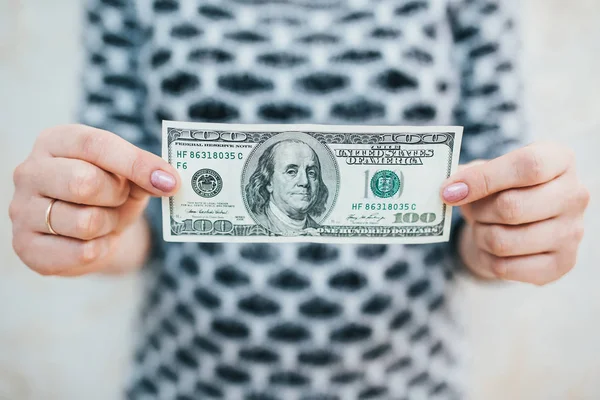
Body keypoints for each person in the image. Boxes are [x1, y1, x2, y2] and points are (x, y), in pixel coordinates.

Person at [9, 0, 590, 399]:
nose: (306, 184)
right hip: (186, 382)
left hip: (409, 385)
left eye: (312, 175)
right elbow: (129, 210)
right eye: (292, 174)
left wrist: (512, 234)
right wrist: (86, 224)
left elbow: (484, 204)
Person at [245, 139, 328, 235]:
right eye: (291, 172)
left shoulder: (322, 233)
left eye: (311, 173)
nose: (305, 182)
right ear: (268, 182)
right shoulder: (256, 229)